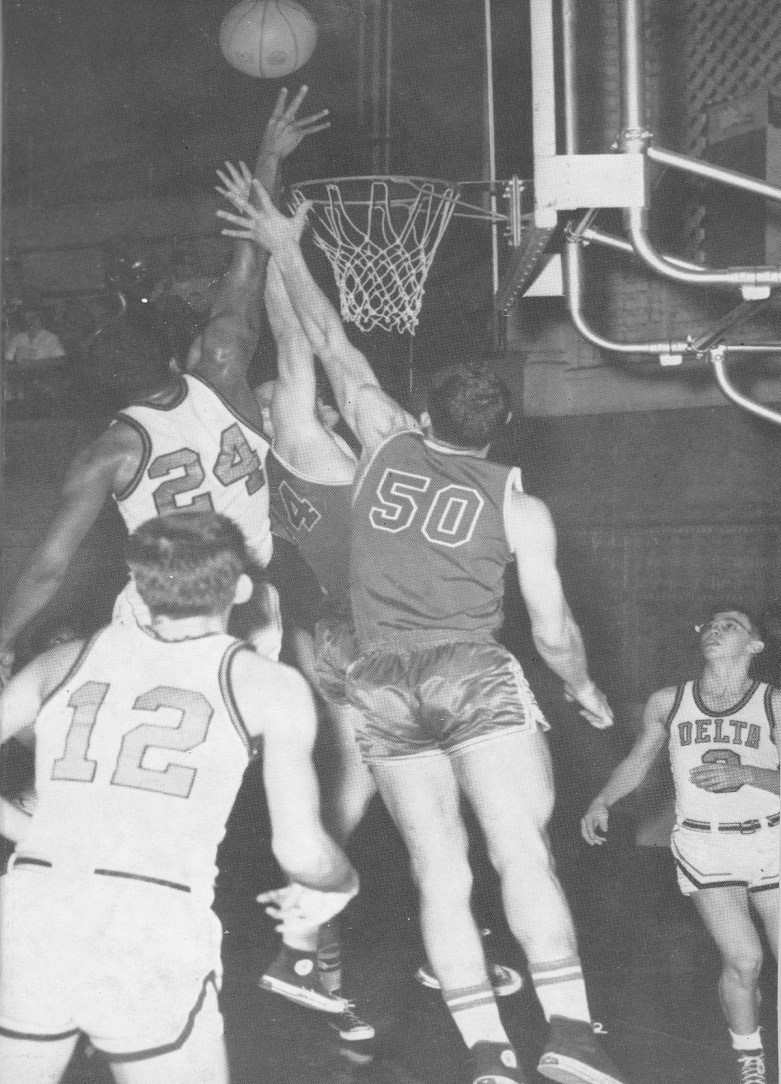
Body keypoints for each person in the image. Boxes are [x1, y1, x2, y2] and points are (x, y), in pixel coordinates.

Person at [218, 182, 624, 1084]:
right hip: (470, 670)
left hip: (381, 677)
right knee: (520, 850)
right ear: (502, 428)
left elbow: (328, 344)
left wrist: (286, 246)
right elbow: (552, 631)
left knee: (440, 870)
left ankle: (484, 1051)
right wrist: (582, 688)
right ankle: (571, 1032)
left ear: (427, 416)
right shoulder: (517, 499)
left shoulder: (382, 442)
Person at [0, 511, 359, 1084]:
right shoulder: (269, 686)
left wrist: (32, 831)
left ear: (137, 587)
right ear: (242, 589)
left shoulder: (61, 662)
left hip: (31, 909)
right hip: (150, 922)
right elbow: (299, 850)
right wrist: (341, 884)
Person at [0, 87, 329, 684]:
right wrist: (270, 158)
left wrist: (1, 637)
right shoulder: (223, 372)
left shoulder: (109, 451)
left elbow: (50, 566)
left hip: (160, 612)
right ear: (174, 358)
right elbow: (248, 266)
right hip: (247, 603)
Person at [582, 609, 780, 1084]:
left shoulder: (772, 703)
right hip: (704, 843)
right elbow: (639, 760)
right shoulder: (669, 701)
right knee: (745, 960)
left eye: (730, 624)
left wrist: (747, 774)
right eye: (710, 624)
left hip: (770, 838)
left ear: (755, 645)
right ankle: (748, 1055)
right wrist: (604, 799)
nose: (715, 629)